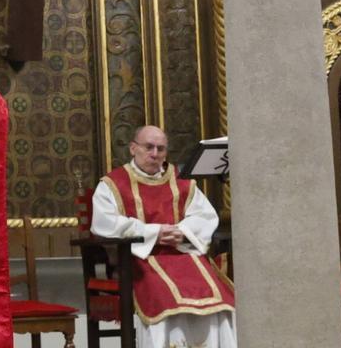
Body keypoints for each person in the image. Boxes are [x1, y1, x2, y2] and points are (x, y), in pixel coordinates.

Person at [91, 125, 236, 348]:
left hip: (184, 255)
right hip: (140, 260)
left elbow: (204, 216)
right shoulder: (113, 184)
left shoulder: (183, 182)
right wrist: (153, 233)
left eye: (161, 149)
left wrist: (182, 231)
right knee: (165, 299)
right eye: (148, 147)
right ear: (133, 148)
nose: (155, 154)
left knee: (221, 300)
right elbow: (105, 223)